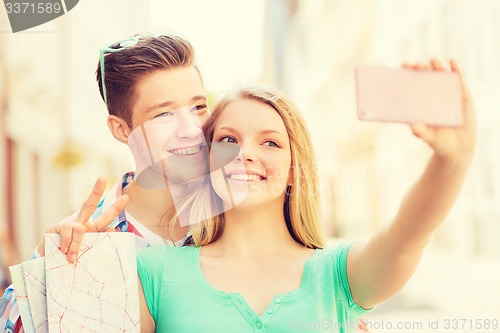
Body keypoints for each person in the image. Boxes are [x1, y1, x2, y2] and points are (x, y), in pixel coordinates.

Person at [136, 58, 476, 332]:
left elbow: (409, 233)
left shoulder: (339, 276)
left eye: (270, 142)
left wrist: (451, 160)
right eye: (228, 140)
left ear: (294, 167)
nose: (245, 154)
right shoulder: (153, 273)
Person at [0, 33, 211, 332]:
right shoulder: (83, 240)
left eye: (198, 107)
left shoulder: (232, 219)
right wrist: (50, 269)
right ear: (122, 129)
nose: (192, 129)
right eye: (164, 114)